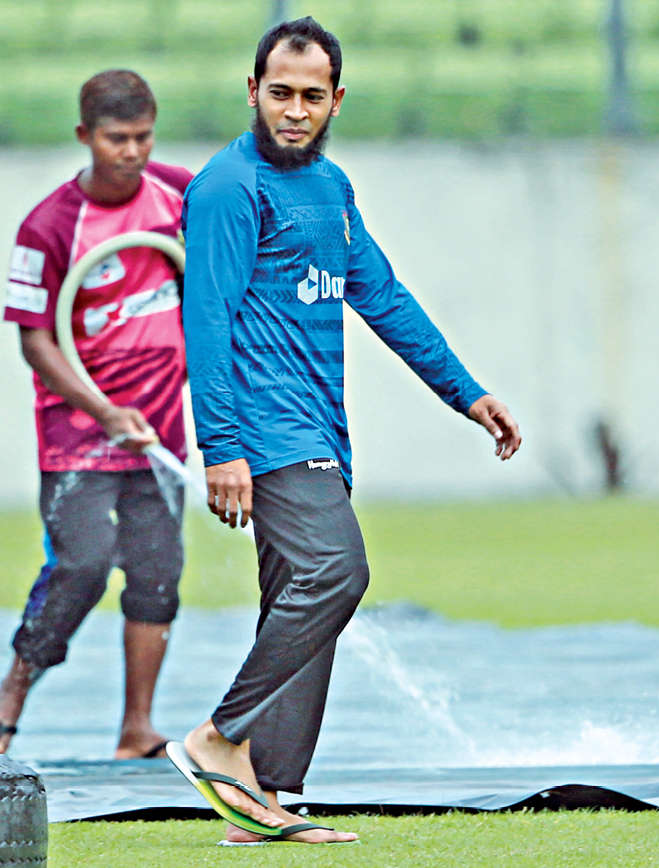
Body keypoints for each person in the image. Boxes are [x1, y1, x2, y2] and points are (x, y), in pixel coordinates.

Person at [169, 18, 523, 844]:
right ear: (252, 92)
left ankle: (263, 801)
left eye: (311, 96)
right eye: (280, 93)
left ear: (336, 100)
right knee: (337, 573)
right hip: (268, 430)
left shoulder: (332, 189)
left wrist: (466, 393)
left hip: (321, 426)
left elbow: (384, 297)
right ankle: (219, 737)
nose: (294, 111)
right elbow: (206, 320)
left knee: (300, 604)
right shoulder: (227, 188)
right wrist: (221, 447)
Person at [0, 69, 193, 760]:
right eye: (116, 138)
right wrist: (104, 410)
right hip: (79, 436)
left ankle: (137, 729)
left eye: (144, 137)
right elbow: (34, 341)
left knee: (158, 574)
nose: (132, 152)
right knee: (84, 564)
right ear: (84, 136)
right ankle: (10, 694)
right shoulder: (49, 226)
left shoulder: (180, 195)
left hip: (160, 432)